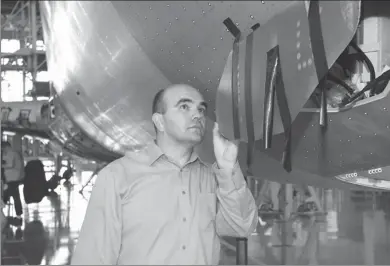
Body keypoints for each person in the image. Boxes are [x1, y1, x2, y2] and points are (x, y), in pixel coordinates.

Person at [71, 84, 258, 265]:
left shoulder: (212, 178)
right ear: (159, 121)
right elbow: (92, 257)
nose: (198, 115)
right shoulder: (117, 177)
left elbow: (242, 226)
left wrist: (227, 167)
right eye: (185, 106)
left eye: (201, 110)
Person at [2, 141, 24, 222]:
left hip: (13, 179)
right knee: (14, 196)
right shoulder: (9, 154)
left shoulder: (12, 153)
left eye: (3, 148)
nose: (3, 150)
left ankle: (17, 216)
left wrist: (2, 165)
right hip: (11, 178)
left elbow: (10, 165)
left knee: (11, 196)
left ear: (6, 147)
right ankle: (18, 216)